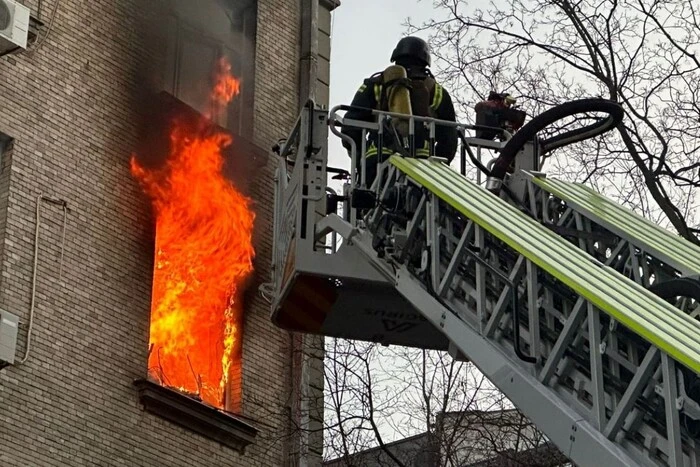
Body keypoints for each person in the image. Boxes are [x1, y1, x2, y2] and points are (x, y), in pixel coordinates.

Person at [341, 36, 458, 187]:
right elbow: (449, 140)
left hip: (377, 164)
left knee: (371, 206)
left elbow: (350, 128)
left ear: (396, 57)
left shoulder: (375, 85)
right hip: (423, 169)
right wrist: (438, 166)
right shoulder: (438, 92)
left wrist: (360, 160)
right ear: (425, 61)